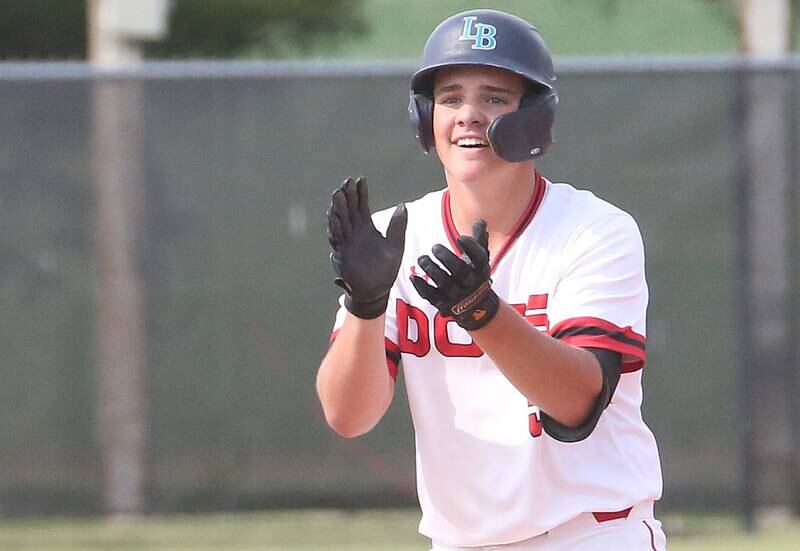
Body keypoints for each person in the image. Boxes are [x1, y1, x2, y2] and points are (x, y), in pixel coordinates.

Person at [317, 8, 665, 551]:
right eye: (451, 97)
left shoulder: (594, 231)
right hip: (461, 541)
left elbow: (577, 403)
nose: (468, 115)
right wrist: (366, 304)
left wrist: (482, 312)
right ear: (424, 115)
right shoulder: (396, 234)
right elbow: (347, 416)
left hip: (590, 533)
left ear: (535, 118)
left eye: (494, 98)